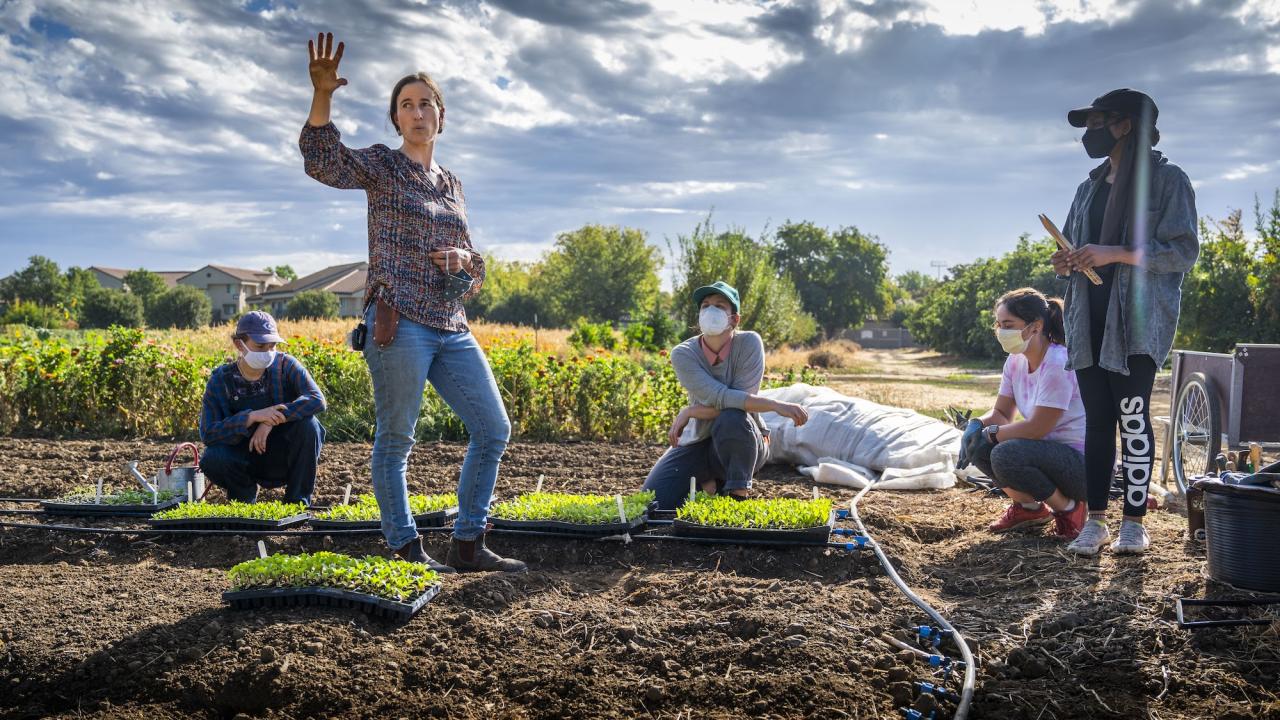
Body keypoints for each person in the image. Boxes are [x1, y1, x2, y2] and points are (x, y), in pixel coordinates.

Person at [298, 32, 524, 573]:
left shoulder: (453, 184)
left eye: (426, 103)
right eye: (406, 105)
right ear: (396, 121)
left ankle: (468, 543)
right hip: (398, 319)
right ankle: (405, 546)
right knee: (396, 438)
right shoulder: (381, 166)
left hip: (451, 323)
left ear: (441, 117)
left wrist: (464, 264)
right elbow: (322, 162)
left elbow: (474, 264)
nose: (417, 112)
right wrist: (323, 95)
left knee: (493, 429)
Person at [1050, 88, 1199, 556]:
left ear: (1126, 125)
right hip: (1087, 318)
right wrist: (1066, 261)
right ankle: (1095, 522)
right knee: (1098, 421)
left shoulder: (1169, 181)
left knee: (1133, 419)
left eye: (1098, 123)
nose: (1089, 134)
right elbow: (1077, 247)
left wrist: (1115, 253)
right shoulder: (1087, 187)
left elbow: (1182, 252)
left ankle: (1134, 524)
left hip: (1137, 321)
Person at [642, 281, 810, 509]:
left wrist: (691, 411)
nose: (711, 310)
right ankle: (709, 483)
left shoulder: (749, 343)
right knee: (655, 500)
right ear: (699, 315)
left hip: (742, 439)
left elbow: (738, 404)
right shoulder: (683, 354)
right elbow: (721, 397)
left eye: (720, 306)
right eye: (705, 305)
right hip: (699, 440)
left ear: (734, 319)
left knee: (731, 417)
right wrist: (774, 405)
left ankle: (738, 497)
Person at [959, 289, 1089, 539]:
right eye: (999, 324)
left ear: (1035, 326)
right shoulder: (1015, 361)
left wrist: (992, 433)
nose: (1001, 331)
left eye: (1008, 324)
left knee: (1005, 452)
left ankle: (1070, 509)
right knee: (979, 447)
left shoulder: (1057, 362)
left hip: (1081, 467)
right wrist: (976, 425)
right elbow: (1001, 412)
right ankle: (1030, 509)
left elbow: (1038, 428)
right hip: (1044, 455)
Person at [199, 311, 326, 506]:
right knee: (213, 457)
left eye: (272, 346)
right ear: (239, 344)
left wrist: (271, 420)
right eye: (260, 346)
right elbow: (208, 432)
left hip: (280, 455)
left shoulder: (286, 366)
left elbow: (317, 400)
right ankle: (242, 500)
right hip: (241, 458)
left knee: (310, 426)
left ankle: (297, 503)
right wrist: (252, 417)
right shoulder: (221, 381)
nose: (267, 352)